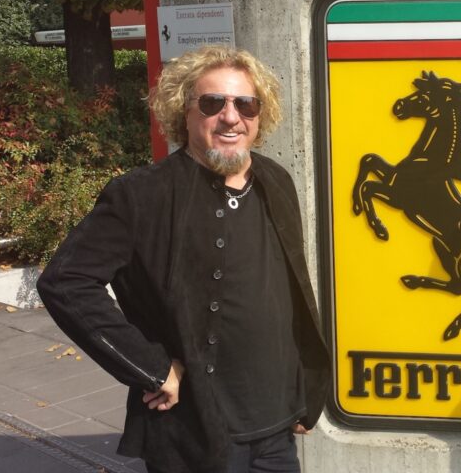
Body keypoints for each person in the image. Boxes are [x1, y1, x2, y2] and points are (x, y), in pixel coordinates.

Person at [37, 45, 330, 473]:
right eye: (213, 103)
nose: (231, 117)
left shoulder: (276, 180)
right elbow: (65, 282)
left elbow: (290, 294)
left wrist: (305, 390)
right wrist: (152, 368)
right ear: (184, 111)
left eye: (246, 104)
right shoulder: (140, 195)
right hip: (195, 434)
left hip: (277, 426)